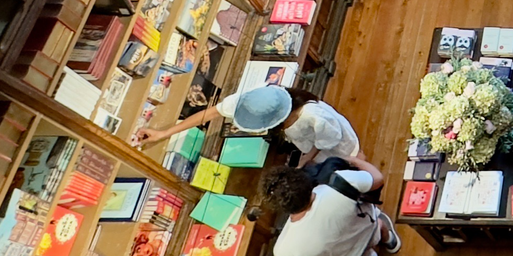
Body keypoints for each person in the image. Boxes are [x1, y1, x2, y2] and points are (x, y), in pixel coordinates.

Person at [261, 155, 408, 256]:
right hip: (368, 227)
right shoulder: (340, 181)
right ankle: (390, 241)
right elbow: (377, 179)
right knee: (380, 223)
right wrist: (354, 160)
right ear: (303, 179)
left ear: (279, 208)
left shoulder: (284, 251)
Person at [137, 84, 356, 167]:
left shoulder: (312, 116)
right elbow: (209, 114)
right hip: (309, 147)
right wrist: (164, 133)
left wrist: (305, 161)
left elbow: (327, 140)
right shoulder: (254, 101)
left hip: (338, 145)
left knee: (353, 162)